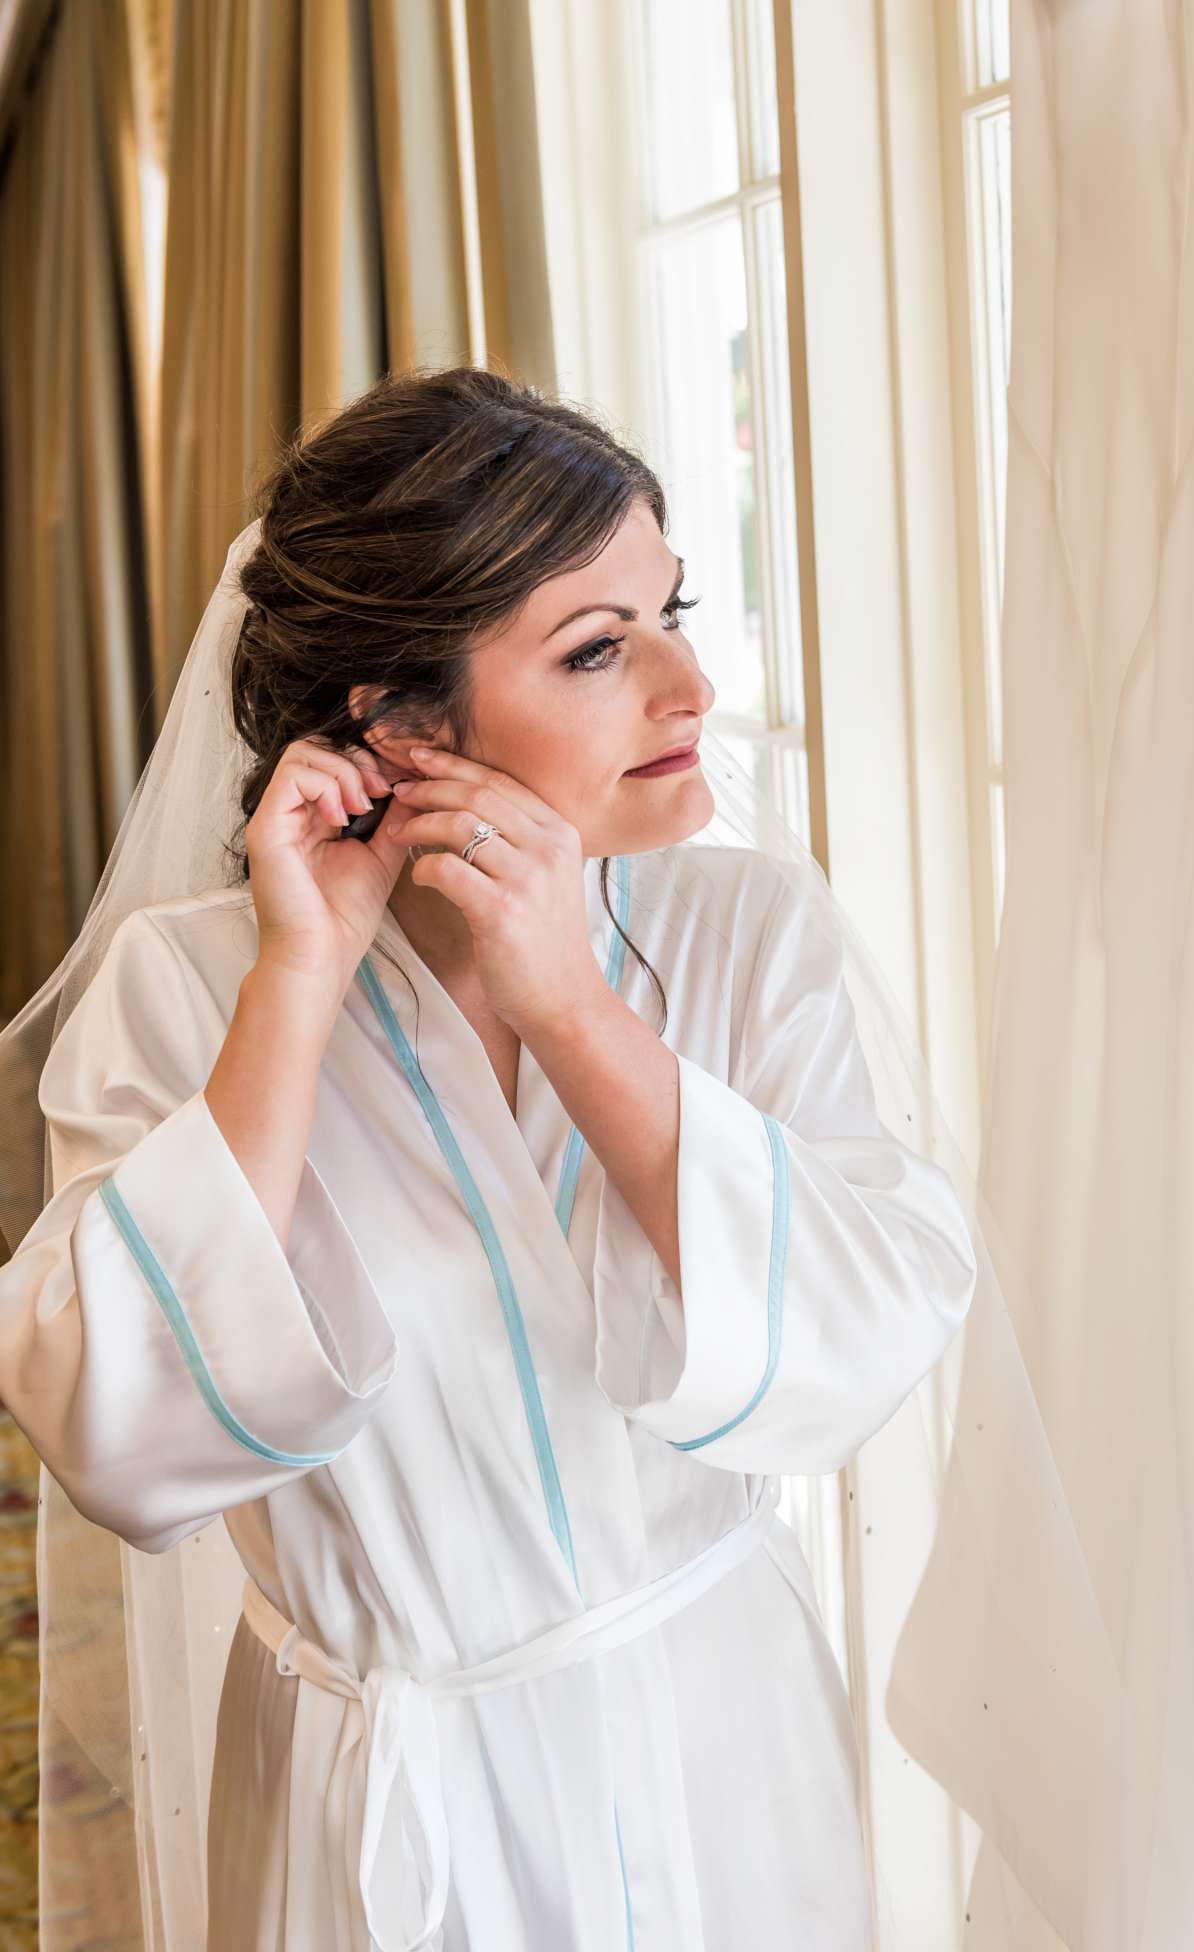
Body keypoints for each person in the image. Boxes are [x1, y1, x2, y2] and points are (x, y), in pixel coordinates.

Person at [0, 368, 979, 1950]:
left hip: (714, 1760)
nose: (690, 687)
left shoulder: (747, 935)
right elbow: (116, 1433)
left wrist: (572, 1007)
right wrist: (299, 985)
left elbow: (863, 1347)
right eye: (599, 649)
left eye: (672, 611)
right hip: (382, 1817)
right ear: (399, 718)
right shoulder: (187, 993)